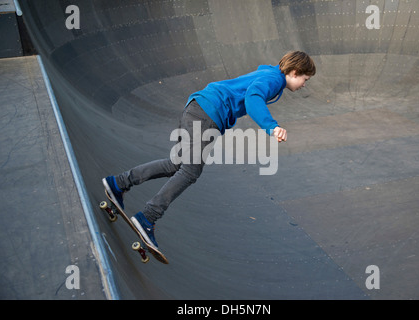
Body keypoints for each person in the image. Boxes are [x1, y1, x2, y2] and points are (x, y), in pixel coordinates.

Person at [102, 51, 316, 249]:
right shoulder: (274, 79)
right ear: (294, 72)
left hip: (198, 108)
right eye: (304, 80)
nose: (304, 85)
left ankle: (118, 183)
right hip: (206, 114)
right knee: (190, 171)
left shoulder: (269, 73)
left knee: (176, 164)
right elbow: (253, 99)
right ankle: (147, 217)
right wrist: (272, 127)